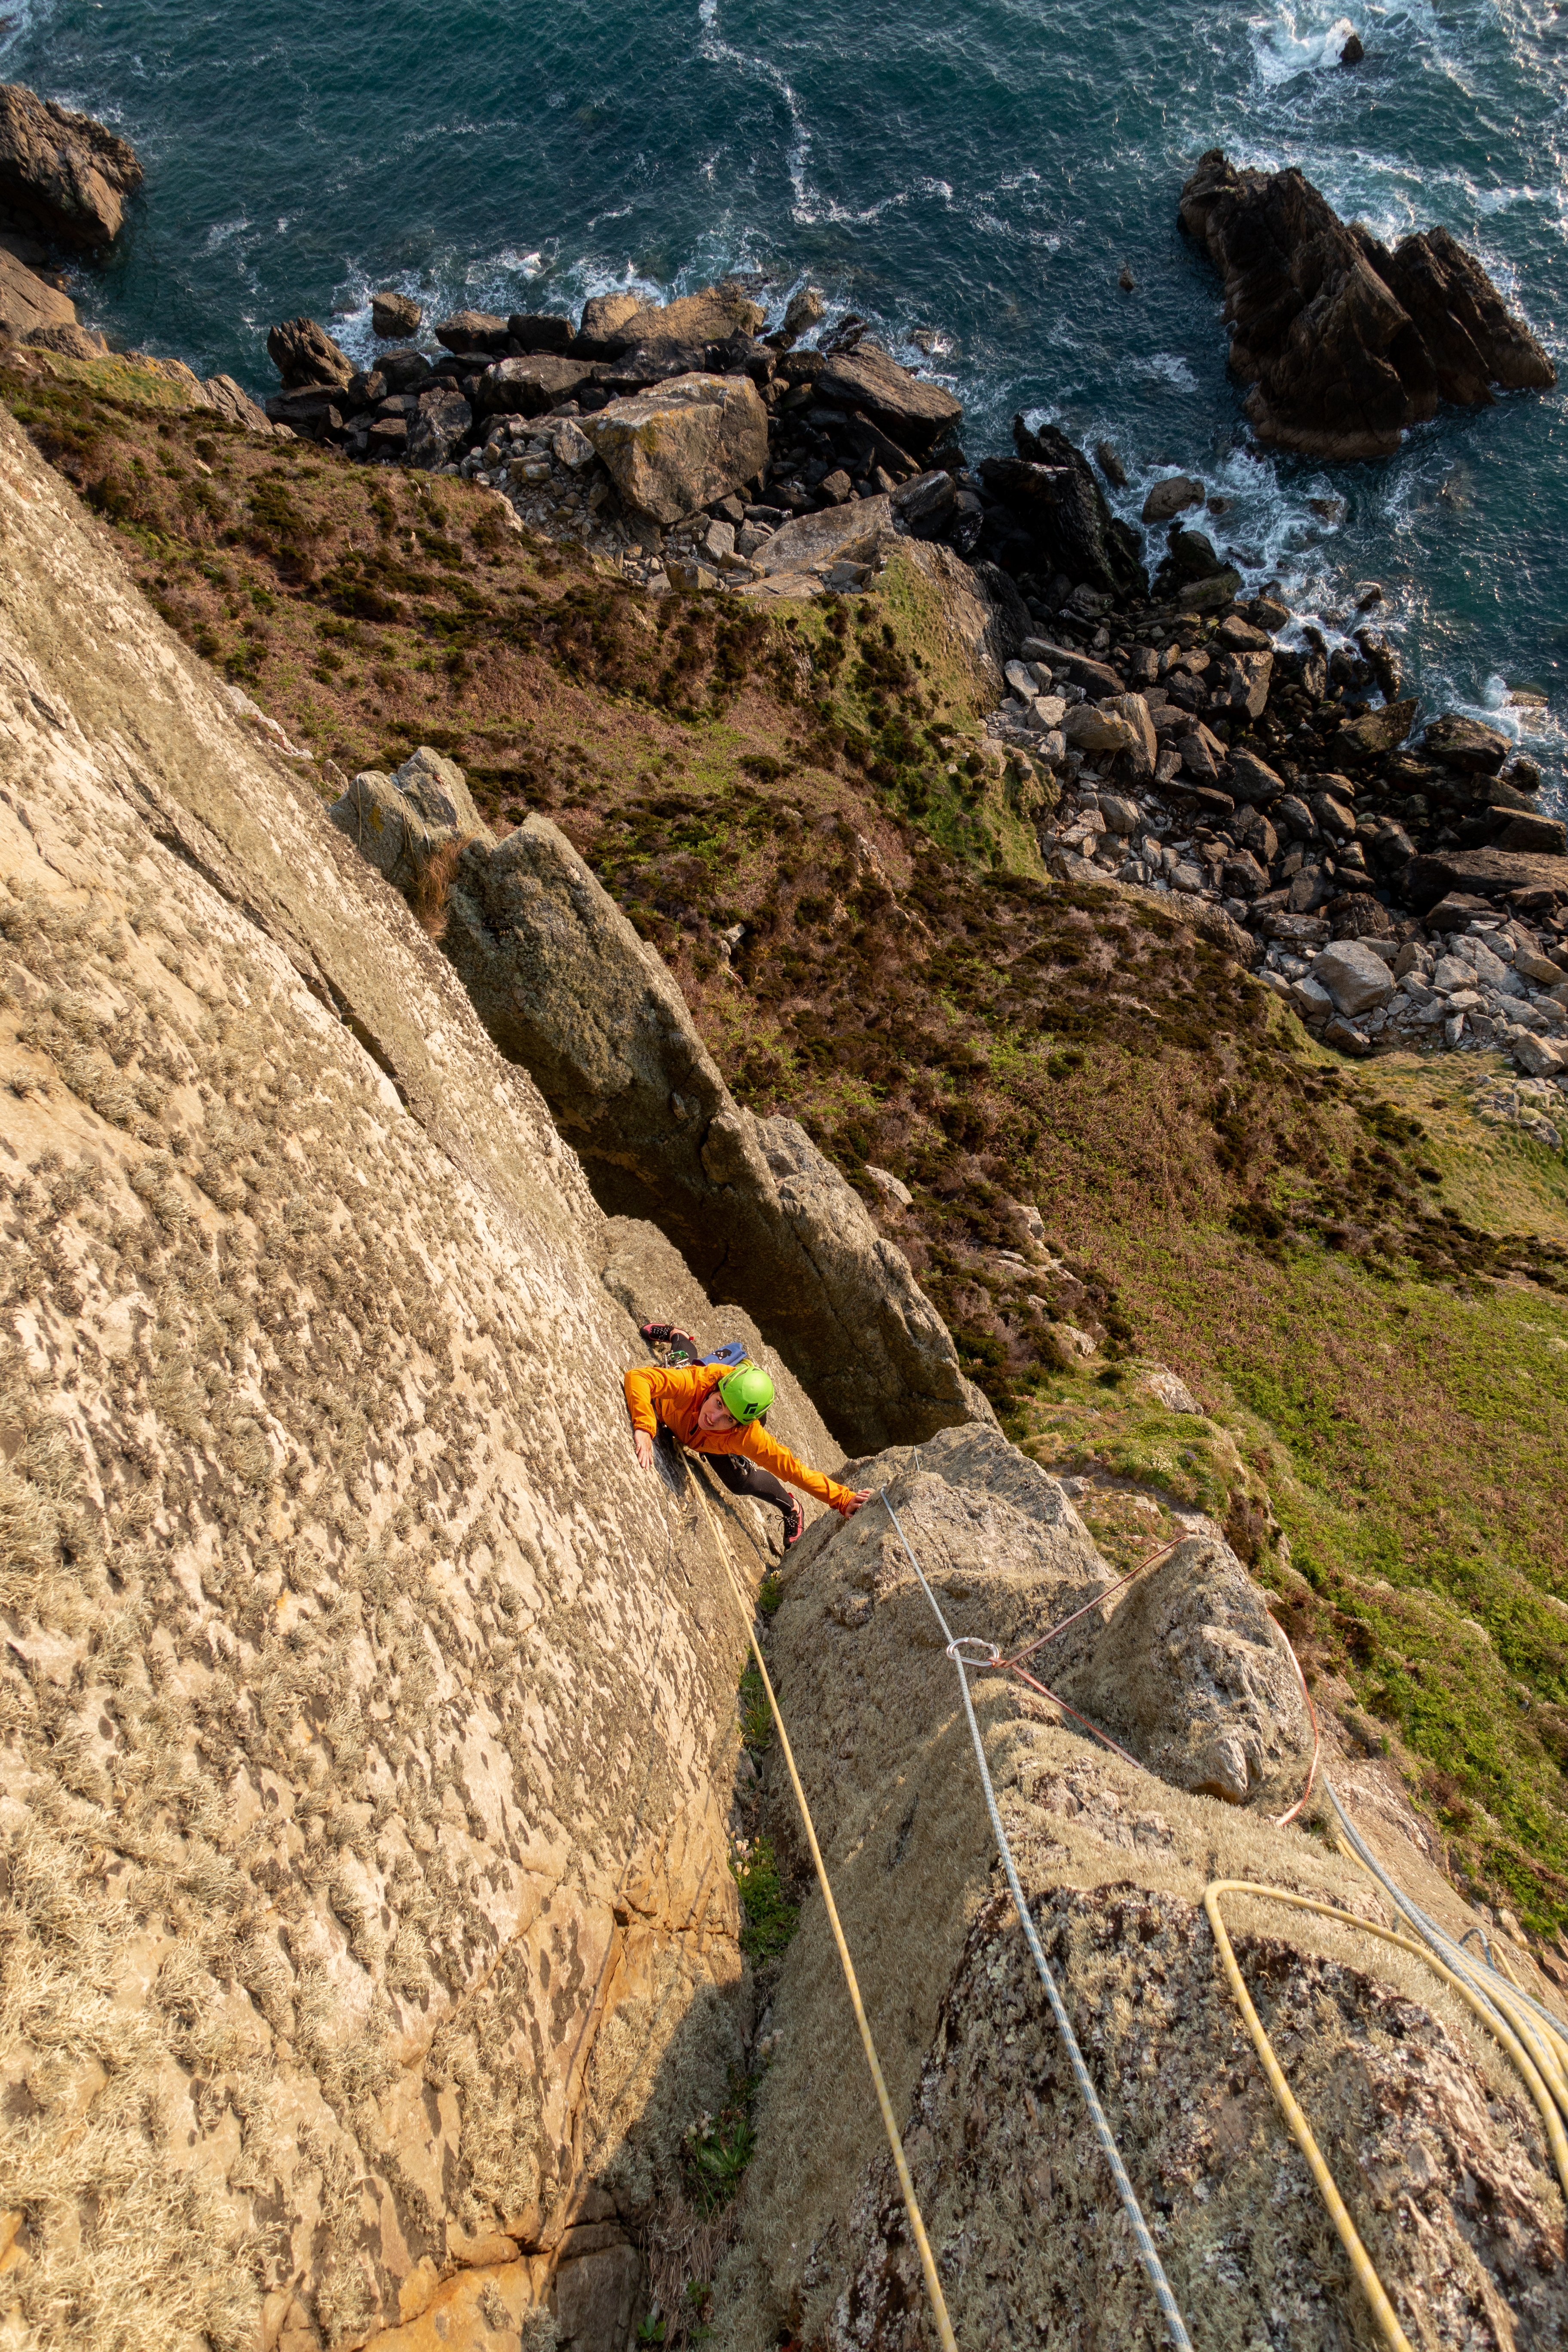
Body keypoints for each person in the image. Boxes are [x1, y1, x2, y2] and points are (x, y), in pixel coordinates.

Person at [624, 1324, 870, 1549]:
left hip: (714, 1442)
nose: (714, 1417)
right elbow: (639, 1378)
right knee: (684, 1359)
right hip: (684, 1404)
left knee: (741, 1483)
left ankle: (792, 1508)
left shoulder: (746, 1436)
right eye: (718, 1404)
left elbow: (794, 1470)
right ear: (715, 1391)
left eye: (729, 1418)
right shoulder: (698, 1383)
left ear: (740, 1425)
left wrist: (843, 1499)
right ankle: (679, 1334)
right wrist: (645, 1426)